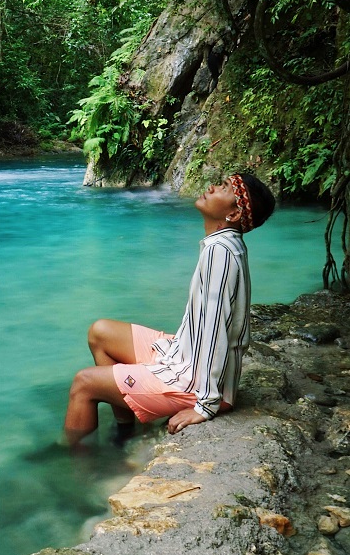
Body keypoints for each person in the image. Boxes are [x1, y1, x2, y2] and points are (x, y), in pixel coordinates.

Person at [63, 172, 275, 444]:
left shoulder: (219, 253)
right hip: (184, 353)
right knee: (100, 332)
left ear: (234, 214)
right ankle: (125, 432)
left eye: (223, 188)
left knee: (83, 383)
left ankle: (73, 464)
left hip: (194, 381)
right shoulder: (222, 245)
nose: (211, 186)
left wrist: (205, 405)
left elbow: (215, 332)